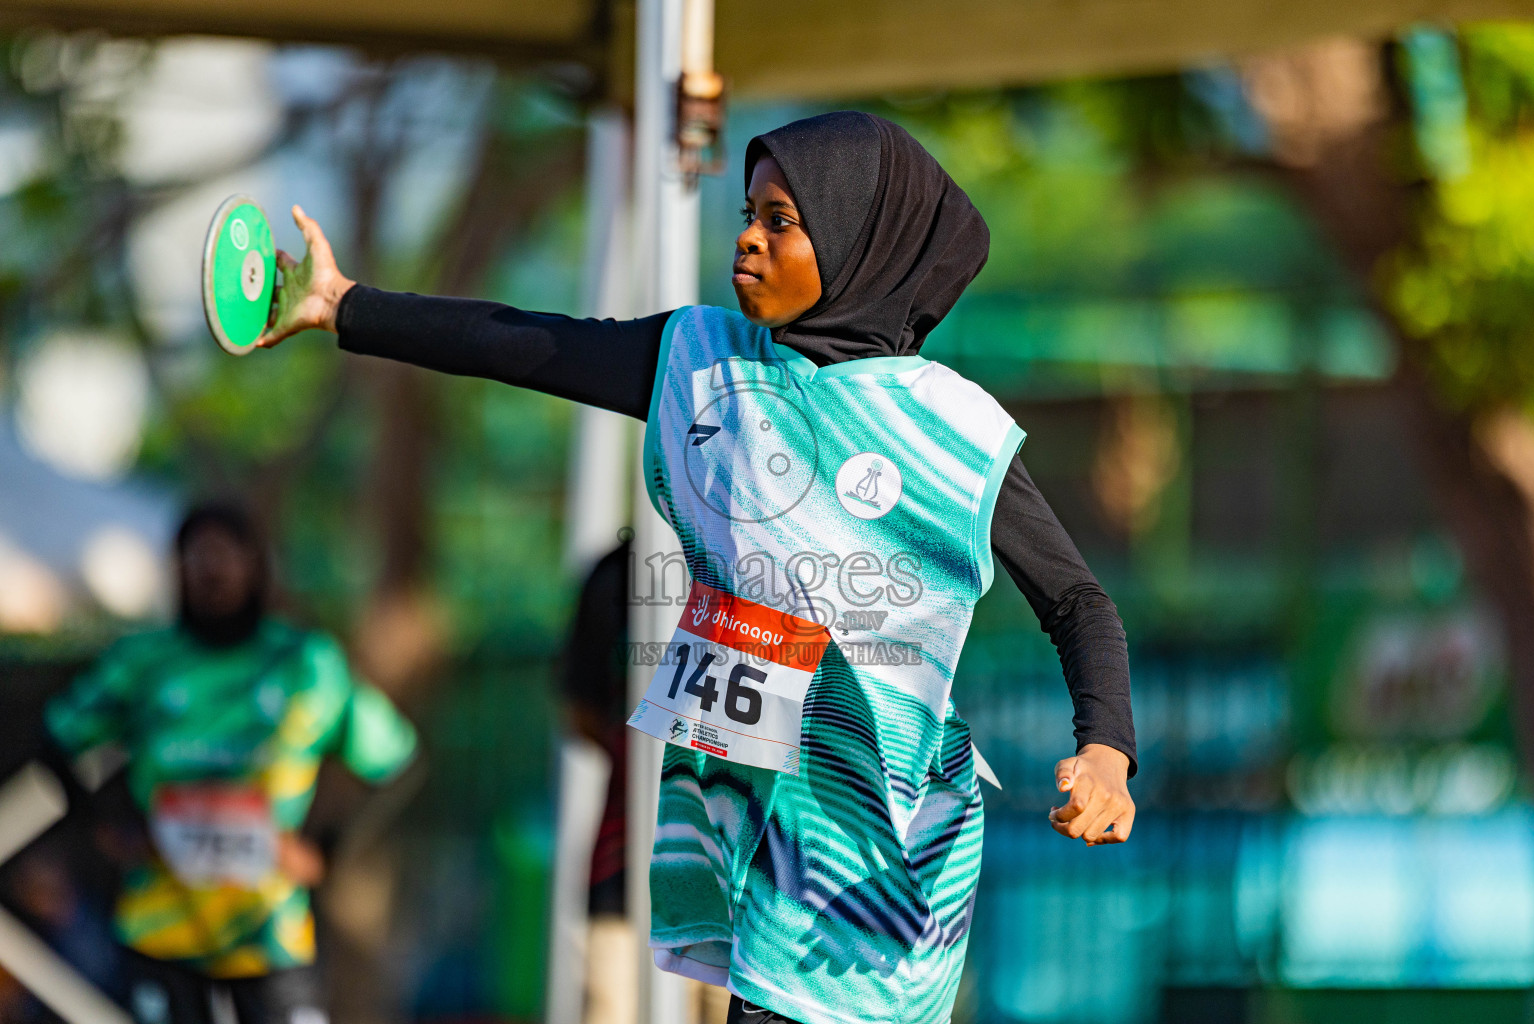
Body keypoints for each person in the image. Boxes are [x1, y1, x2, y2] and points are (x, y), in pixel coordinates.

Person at [257, 112, 1137, 1024]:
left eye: (782, 220)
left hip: (881, 861)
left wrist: (1107, 749)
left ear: (857, 239)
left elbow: (1077, 600)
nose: (748, 236)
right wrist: (344, 304)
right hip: (743, 834)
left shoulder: (953, 431)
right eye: (748, 211)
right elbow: (519, 341)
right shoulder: (702, 361)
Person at [36, 502, 419, 1024]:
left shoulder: (304, 663)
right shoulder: (142, 663)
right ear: (178, 570)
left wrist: (325, 848)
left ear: (257, 566)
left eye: (227, 556)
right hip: (160, 931)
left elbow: (393, 761)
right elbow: (56, 742)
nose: (213, 571)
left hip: (270, 935)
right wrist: (109, 828)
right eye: (198, 557)